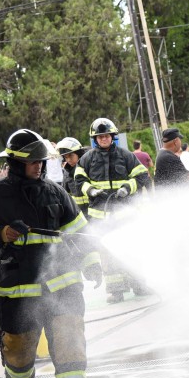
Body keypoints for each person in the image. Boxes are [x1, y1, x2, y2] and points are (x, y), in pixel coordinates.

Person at [0, 129, 103, 378]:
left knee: (70, 340)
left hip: (62, 286)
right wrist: (0, 232)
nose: (39, 166)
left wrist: (91, 261)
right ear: (15, 163)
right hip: (19, 291)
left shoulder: (55, 192)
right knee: (19, 352)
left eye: (41, 162)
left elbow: (78, 230)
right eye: (33, 162)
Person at [75, 117, 152, 303]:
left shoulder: (126, 156)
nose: (103, 139)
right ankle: (116, 291)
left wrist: (127, 188)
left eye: (106, 135)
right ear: (95, 139)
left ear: (112, 136)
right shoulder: (87, 159)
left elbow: (142, 175)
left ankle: (139, 284)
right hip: (100, 216)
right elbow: (79, 181)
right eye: (100, 136)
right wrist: (92, 190)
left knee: (131, 249)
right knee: (108, 254)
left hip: (125, 214)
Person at [57, 137, 88, 215]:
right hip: (78, 214)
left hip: (93, 212)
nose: (68, 160)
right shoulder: (67, 172)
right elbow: (64, 194)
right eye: (66, 157)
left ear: (79, 153)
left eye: (71, 156)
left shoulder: (89, 168)